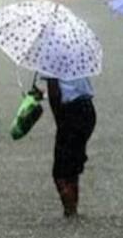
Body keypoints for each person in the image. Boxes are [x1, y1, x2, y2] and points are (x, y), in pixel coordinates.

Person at [31, 76, 96, 218]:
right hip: (88, 110)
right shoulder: (77, 56)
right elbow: (72, 91)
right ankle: (73, 208)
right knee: (73, 165)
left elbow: (55, 94)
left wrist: (60, 123)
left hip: (70, 114)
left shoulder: (52, 58)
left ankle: (70, 211)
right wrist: (43, 95)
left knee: (60, 173)